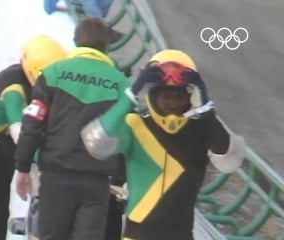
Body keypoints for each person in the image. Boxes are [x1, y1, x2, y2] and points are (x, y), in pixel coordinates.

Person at [81, 49, 246, 240]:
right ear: (152, 95)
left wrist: (206, 107)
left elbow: (230, 159)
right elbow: (96, 142)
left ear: (190, 96)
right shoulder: (135, 125)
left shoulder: (202, 128)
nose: (173, 104)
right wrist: (131, 93)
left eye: (179, 97)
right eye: (166, 97)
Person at [14, 17, 131, 240]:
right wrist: (119, 181)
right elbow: (125, 135)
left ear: (76, 41)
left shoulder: (52, 73)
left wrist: (22, 166)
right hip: (97, 183)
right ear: (106, 46)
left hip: (56, 177)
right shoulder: (121, 84)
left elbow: (33, 123)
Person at [0, 34, 67, 240]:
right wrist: (43, 161)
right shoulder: (14, 86)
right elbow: (19, 131)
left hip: (3, 149)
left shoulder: (33, 84)